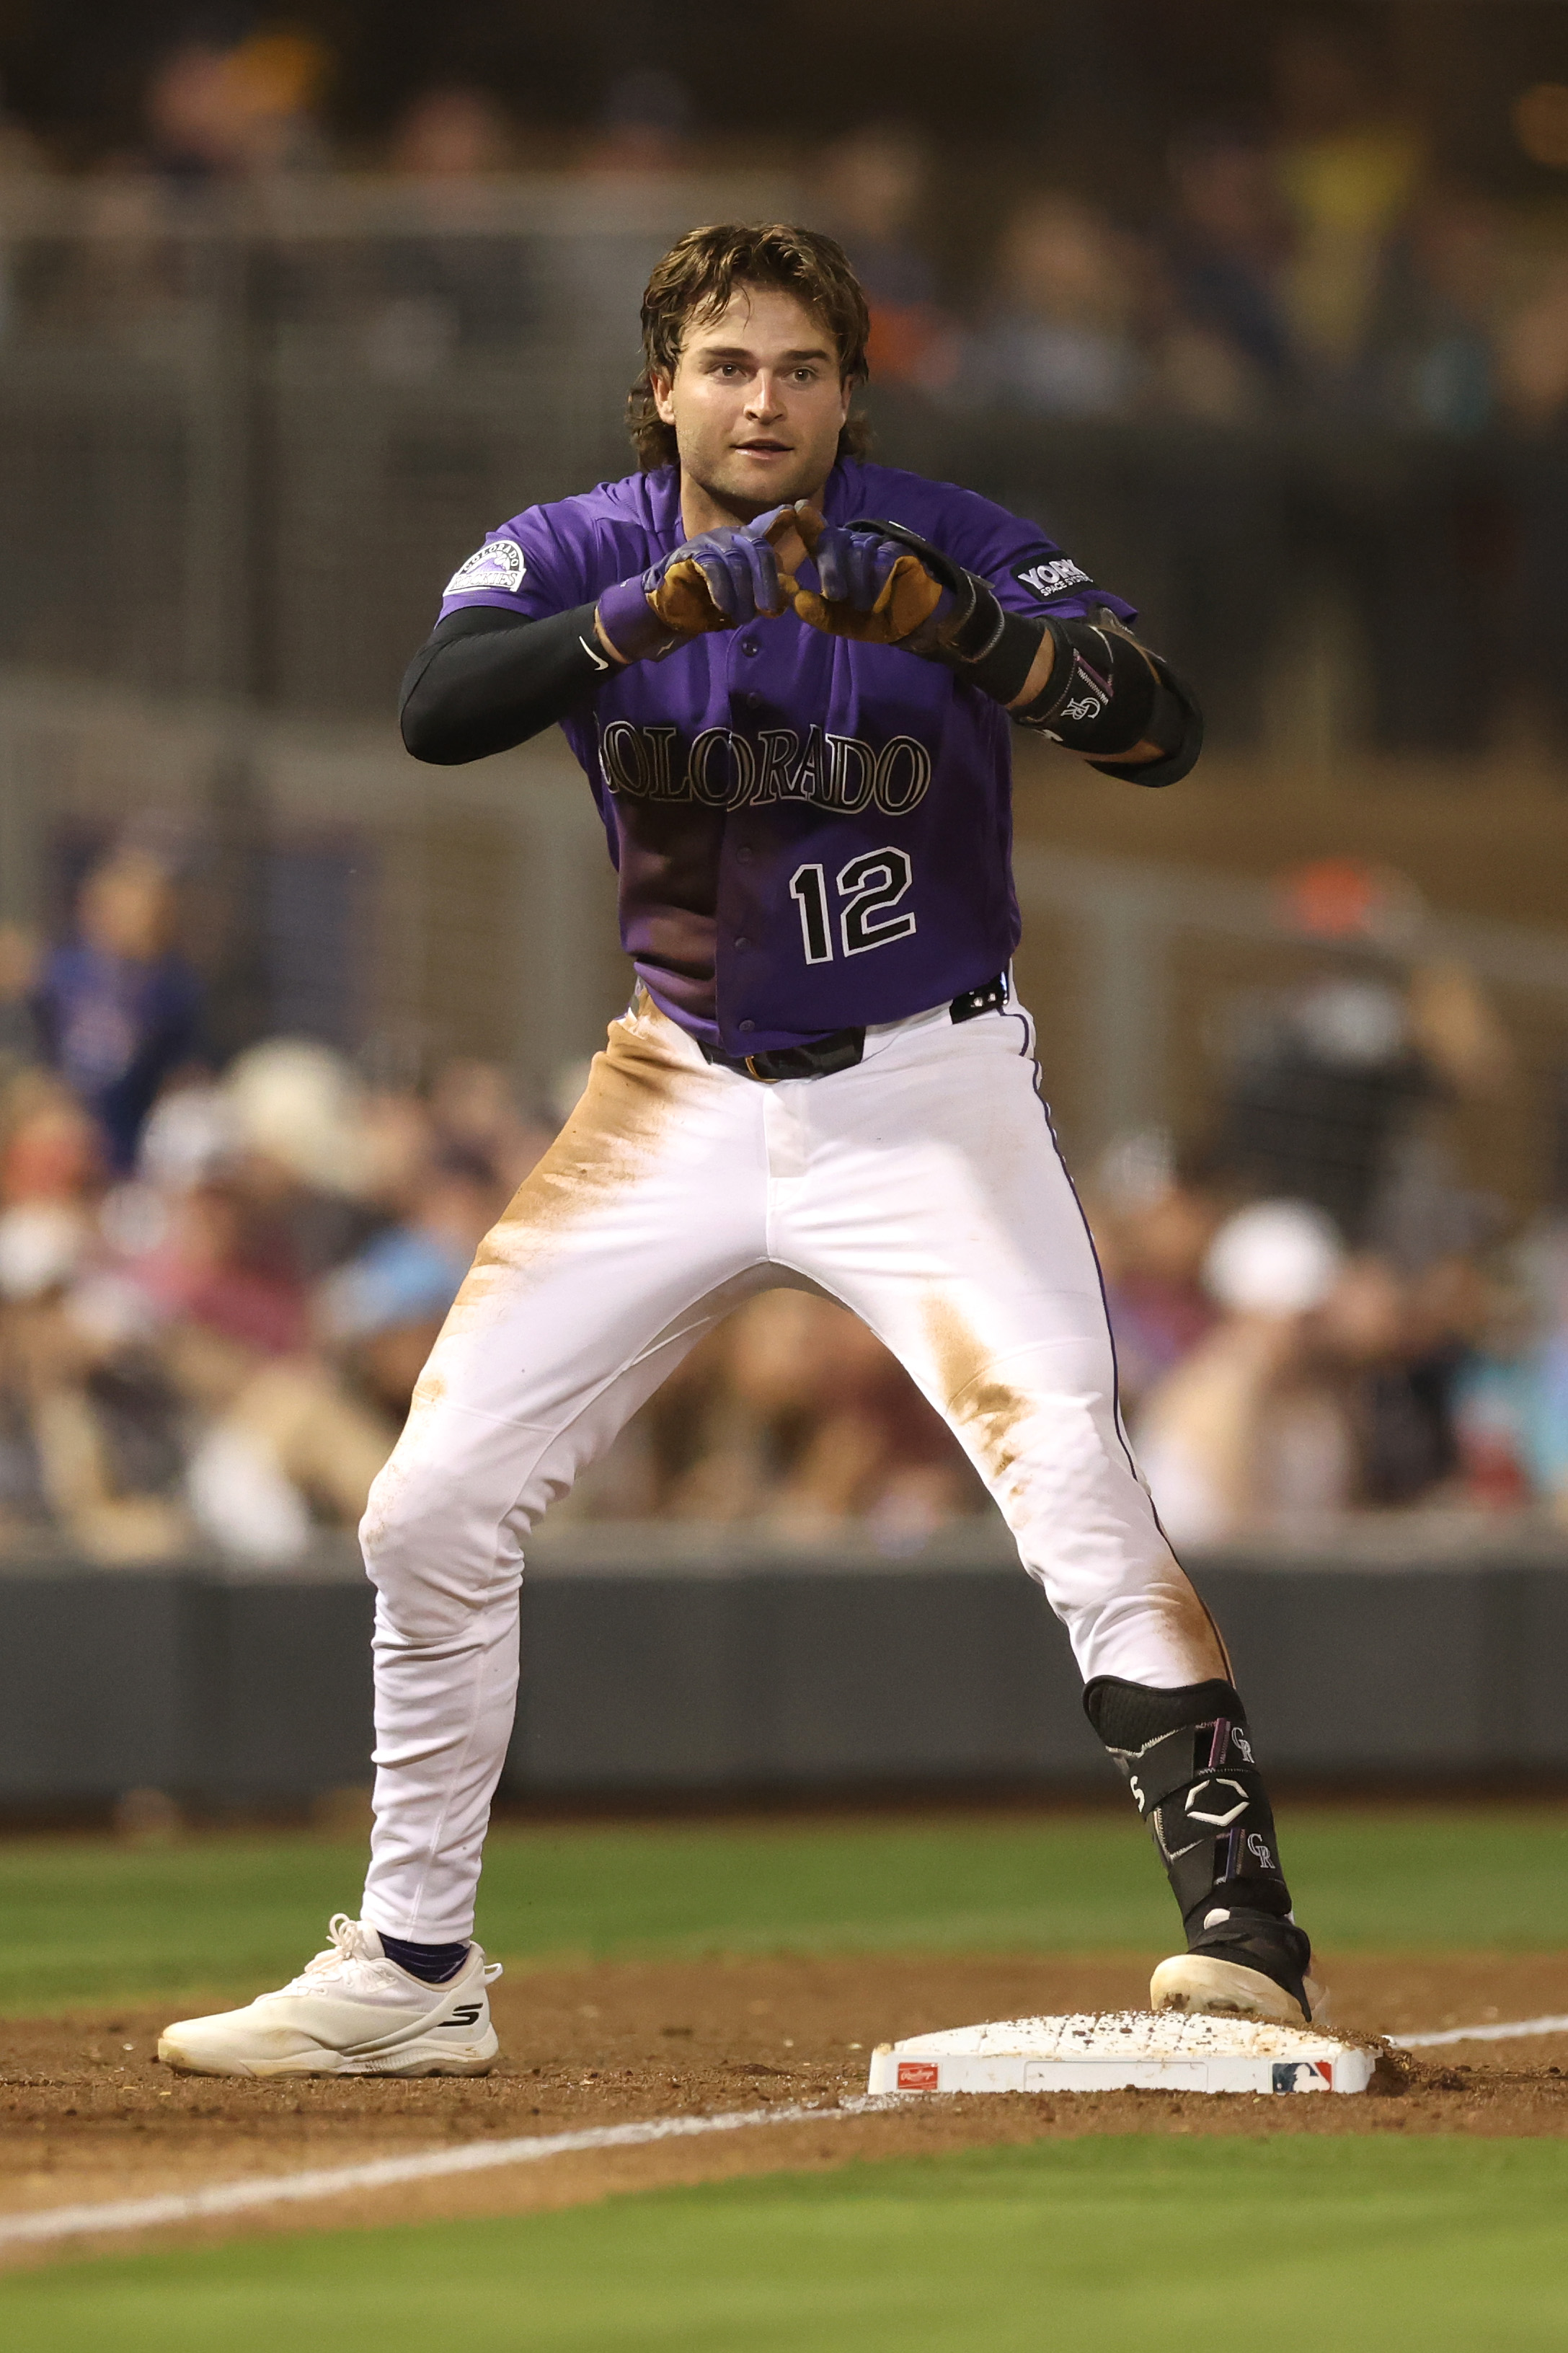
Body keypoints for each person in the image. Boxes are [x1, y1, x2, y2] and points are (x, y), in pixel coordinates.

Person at [159, 220, 1319, 2080]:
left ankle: (1247, 1939)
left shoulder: (946, 536)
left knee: (1074, 1487)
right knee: (427, 1510)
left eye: (797, 366)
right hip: (673, 1087)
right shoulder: (580, 547)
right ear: (663, 387)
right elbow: (437, 710)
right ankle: (413, 1965)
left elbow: (1159, 727)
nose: (761, 399)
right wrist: (660, 611)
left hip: (926, 1094)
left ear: (851, 390)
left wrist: (959, 627)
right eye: (725, 364)